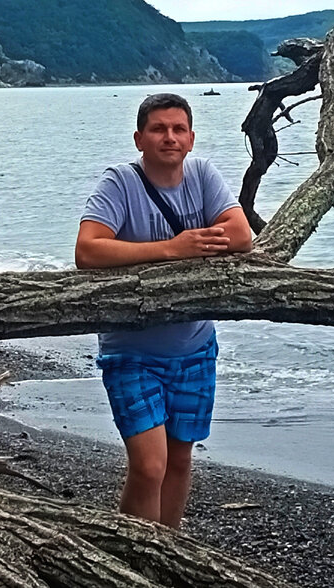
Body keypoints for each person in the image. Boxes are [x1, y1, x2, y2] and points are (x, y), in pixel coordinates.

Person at [75, 92, 252, 528]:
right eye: (158, 129)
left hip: (194, 348)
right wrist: (172, 249)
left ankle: (168, 554)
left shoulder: (203, 174)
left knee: (178, 461)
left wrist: (199, 243)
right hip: (131, 351)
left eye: (178, 129)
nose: (169, 138)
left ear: (191, 139)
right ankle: (133, 557)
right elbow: (88, 249)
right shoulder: (120, 182)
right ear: (139, 138)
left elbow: (242, 234)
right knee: (149, 466)